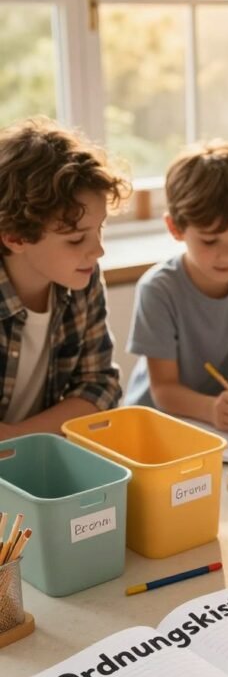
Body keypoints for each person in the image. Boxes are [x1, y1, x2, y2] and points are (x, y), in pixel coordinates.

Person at [124, 140, 228, 430]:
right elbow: (163, 390)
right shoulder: (158, 289)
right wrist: (213, 408)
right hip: (155, 426)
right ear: (175, 228)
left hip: (214, 424)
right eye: (210, 240)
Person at [0, 117, 128, 437]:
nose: (97, 251)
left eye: (99, 229)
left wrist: (18, 438)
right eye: (75, 239)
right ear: (15, 237)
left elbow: (100, 385)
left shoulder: (82, 279)